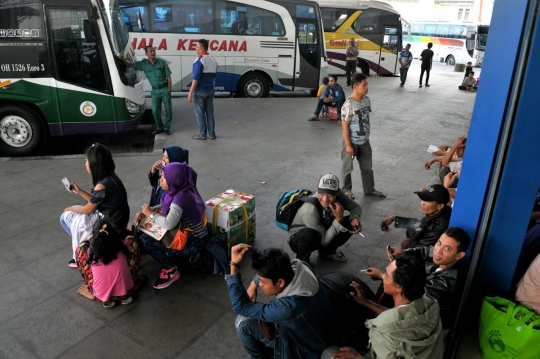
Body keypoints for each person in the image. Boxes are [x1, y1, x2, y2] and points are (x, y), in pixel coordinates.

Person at [324, 254, 444, 359]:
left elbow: (393, 324)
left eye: (386, 274)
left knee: (329, 353)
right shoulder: (430, 302)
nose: (383, 276)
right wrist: (367, 302)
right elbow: (401, 317)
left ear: (399, 287)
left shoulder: (385, 334)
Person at [227, 244, 333, 359]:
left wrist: (234, 266)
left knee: (243, 322)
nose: (260, 285)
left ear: (280, 282)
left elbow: (240, 307)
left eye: (262, 281)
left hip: (303, 350)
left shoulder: (287, 308)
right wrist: (254, 284)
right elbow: (281, 263)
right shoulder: (302, 267)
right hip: (318, 330)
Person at [375, 227, 471, 329]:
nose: (438, 250)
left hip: (426, 322)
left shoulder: (449, 282)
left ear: (459, 255)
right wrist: (401, 255)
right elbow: (422, 251)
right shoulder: (438, 255)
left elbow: (413, 294)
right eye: (439, 243)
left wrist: (382, 276)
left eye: (447, 248)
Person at [136, 162, 208, 289]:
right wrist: (148, 212)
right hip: (191, 234)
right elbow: (165, 208)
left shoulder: (179, 199)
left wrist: (151, 214)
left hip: (193, 243)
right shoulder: (182, 189)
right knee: (146, 229)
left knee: (145, 240)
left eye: (164, 177)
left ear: (174, 180)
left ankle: (171, 270)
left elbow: (169, 224)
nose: (160, 179)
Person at [61, 143, 129, 268]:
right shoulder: (111, 177)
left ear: (95, 162)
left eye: (86, 160)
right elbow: (95, 202)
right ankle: (89, 243)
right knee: (77, 214)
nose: (85, 164)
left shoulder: (102, 184)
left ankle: (87, 248)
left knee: (65, 217)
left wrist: (69, 209)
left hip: (112, 227)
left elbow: (88, 209)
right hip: (119, 221)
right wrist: (80, 191)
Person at [288, 173, 363, 264]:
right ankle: (303, 262)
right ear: (317, 188)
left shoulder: (339, 194)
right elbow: (323, 241)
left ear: (337, 192)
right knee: (308, 234)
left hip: (321, 229)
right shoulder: (309, 210)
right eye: (322, 194)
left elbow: (356, 207)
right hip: (300, 240)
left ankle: (327, 251)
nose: (325, 199)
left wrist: (354, 219)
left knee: (350, 223)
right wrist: (339, 220)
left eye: (330, 195)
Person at [75, 219, 141, 308]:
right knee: (132, 240)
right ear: (115, 234)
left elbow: (85, 259)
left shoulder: (90, 251)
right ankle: (133, 281)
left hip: (100, 296)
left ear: (94, 236)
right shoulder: (123, 246)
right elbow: (130, 246)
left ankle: (96, 294)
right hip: (127, 292)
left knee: (80, 248)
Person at [341, 73, 386, 200]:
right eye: (364, 85)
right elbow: (344, 126)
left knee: (367, 167)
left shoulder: (367, 100)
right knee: (347, 166)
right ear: (355, 87)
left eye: (367, 84)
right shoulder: (348, 105)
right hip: (351, 142)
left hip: (365, 141)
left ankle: (369, 189)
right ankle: (346, 191)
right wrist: (348, 145)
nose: (367, 87)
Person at [119, 46, 172, 135]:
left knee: (168, 110)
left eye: (154, 51)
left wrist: (169, 90)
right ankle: (160, 127)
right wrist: (122, 59)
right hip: (155, 91)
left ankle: (167, 128)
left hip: (164, 89)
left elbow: (168, 77)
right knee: (155, 110)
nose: (153, 53)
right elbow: (129, 65)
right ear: (146, 54)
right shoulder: (143, 64)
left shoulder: (162, 62)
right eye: (150, 51)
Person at [381, 184, 452, 249]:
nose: (421, 203)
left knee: (406, 243)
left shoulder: (440, 226)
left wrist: (401, 254)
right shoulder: (440, 212)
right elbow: (421, 223)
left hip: (428, 255)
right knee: (410, 229)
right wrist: (395, 219)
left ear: (439, 206)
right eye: (423, 200)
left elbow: (419, 248)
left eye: (427, 201)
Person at [189, 39, 219, 140]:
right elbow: (214, 75)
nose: (195, 49)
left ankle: (202, 134)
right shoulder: (213, 60)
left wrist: (190, 92)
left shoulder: (198, 61)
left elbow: (196, 78)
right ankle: (212, 134)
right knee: (210, 113)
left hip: (200, 92)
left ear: (202, 49)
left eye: (196, 47)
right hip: (210, 90)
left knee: (200, 114)